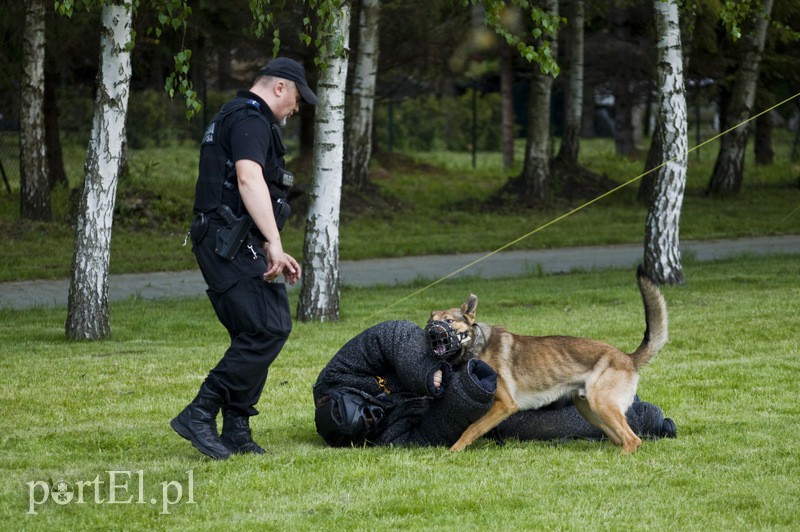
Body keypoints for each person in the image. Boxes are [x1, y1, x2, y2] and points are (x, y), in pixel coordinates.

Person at [171, 57, 318, 460]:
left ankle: (236, 427)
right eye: (296, 98)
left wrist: (271, 241)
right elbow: (248, 178)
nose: (296, 107)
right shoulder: (251, 119)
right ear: (279, 88)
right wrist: (274, 242)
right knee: (266, 330)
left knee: (261, 328)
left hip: (232, 239)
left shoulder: (235, 117)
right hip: (229, 242)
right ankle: (200, 411)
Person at [313, 320, 676, 448]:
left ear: (344, 395)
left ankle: (634, 417)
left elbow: (392, 336)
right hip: (481, 404)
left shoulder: (339, 373)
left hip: (593, 372)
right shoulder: (378, 438)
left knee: (592, 402)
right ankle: (644, 420)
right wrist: (463, 402)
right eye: (370, 427)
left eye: (369, 414)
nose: (377, 418)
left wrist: (427, 374)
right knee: (540, 427)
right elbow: (424, 438)